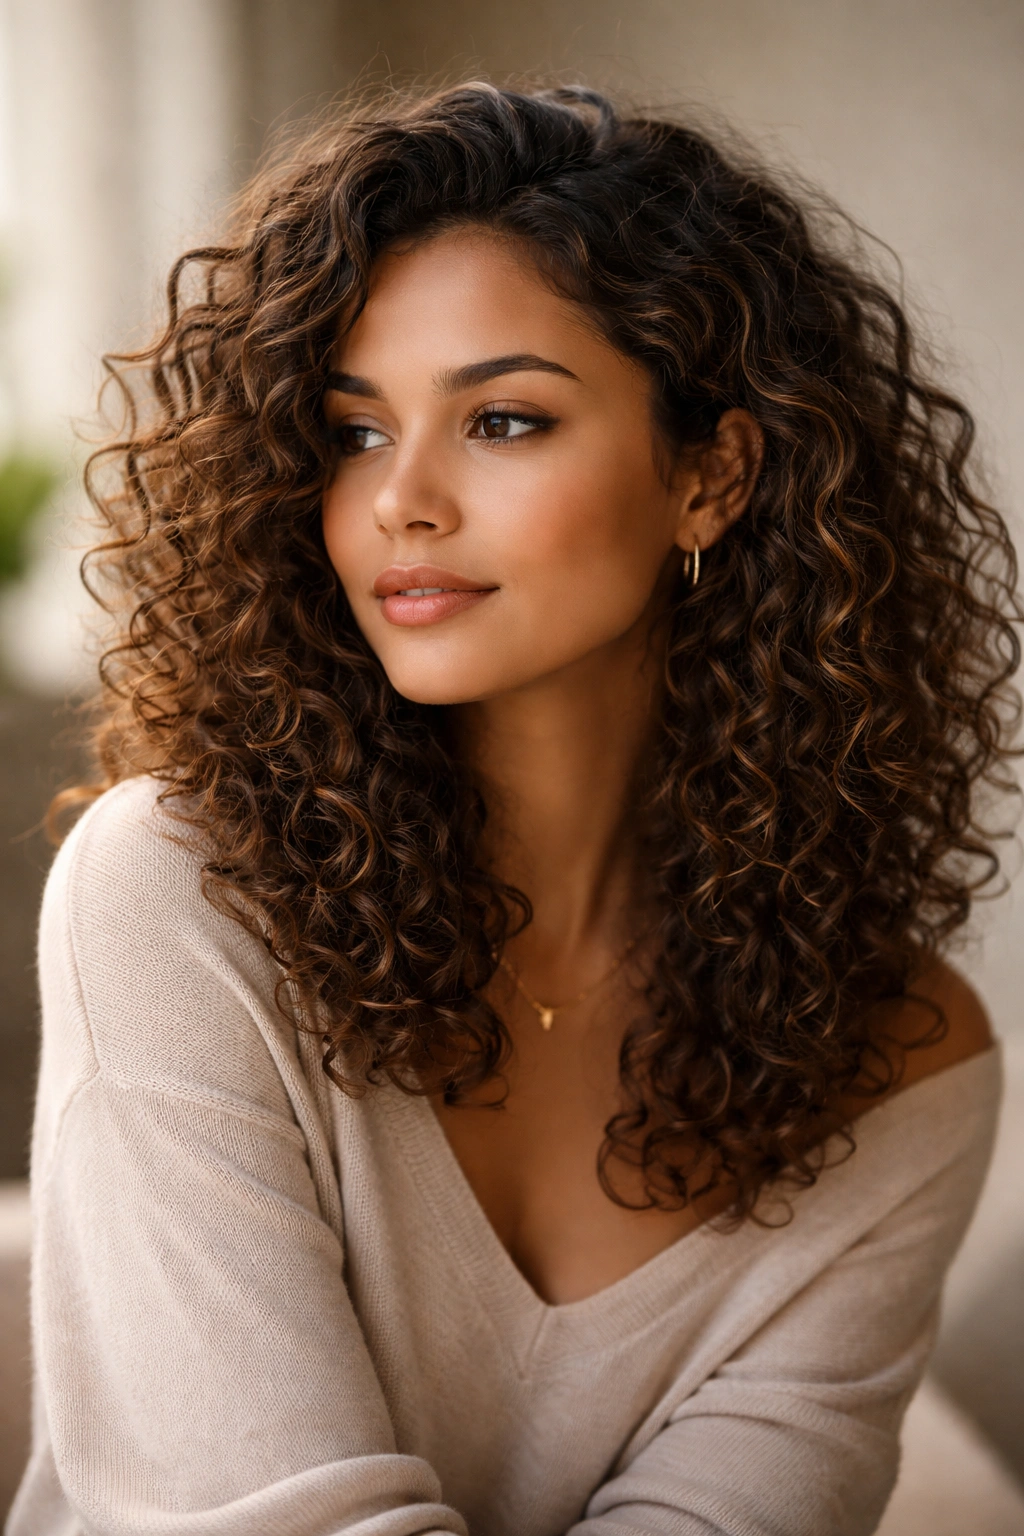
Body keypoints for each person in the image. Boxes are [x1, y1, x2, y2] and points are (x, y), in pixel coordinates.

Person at [8, 83, 1016, 1536]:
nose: (401, 501)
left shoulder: (899, 1070)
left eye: (501, 419)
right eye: (352, 434)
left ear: (714, 476)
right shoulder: (175, 890)